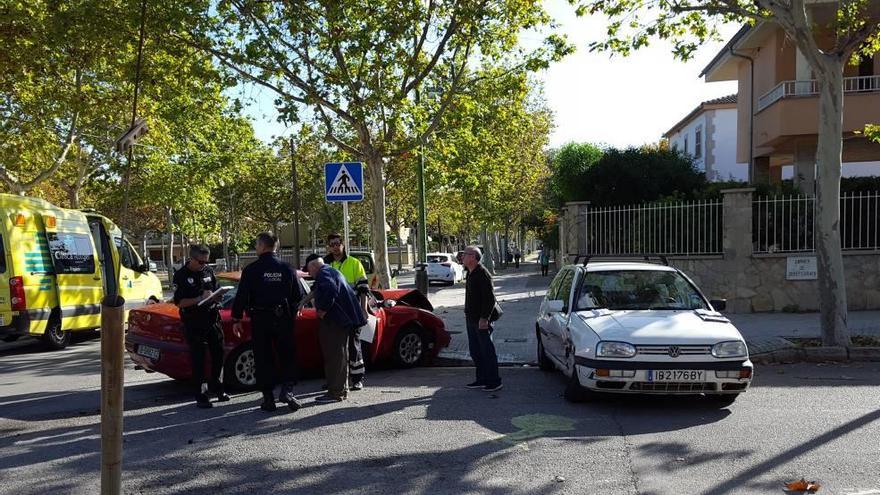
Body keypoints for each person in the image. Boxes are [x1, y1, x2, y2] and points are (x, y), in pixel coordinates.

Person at [231, 233, 303, 412]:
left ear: (262, 246)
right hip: (282, 318)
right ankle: (287, 391)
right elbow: (298, 296)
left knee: (263, 358)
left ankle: (268, 398)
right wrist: (290, 314)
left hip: (260, 319)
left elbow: (241, 296)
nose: (256, 247)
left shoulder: (251, 269)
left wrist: (236, 318)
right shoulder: (287, 268)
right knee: (287, 355)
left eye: (256, 244)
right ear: (276, 246)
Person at [173, 244, 229, 409]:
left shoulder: (208, 271)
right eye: (201, 261)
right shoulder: (181, 276)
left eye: (206, 261)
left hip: (212, 318)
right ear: (192, 258)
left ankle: (218, 388)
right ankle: (201, 395)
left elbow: (215, 289)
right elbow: (180, 302)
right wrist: (199, 298)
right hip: (194, 322)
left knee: (218, 355)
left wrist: (218, 297)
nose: (204, 264)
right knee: (198, 359)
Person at [306, 257, 367, 403]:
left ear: (314, 266)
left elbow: (330, 289)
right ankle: (340, 389)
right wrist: (304, 301)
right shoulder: (330, 271)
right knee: (339, 355)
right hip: (342, 321)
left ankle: (336, 393)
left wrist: (323, 309)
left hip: (336, 322)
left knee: (335, 356)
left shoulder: (324, 274)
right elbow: (320, 290)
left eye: (309, 270)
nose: (309, 274)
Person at [323, 233, 368, 390]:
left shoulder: (354, 263)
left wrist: (364, 309)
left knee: (353, 346)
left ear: (343, 245)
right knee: (334, 348)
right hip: (333, 313)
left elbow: (363, 289)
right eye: (332, 244)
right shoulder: (325, 265)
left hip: (352, 311)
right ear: (328, 246)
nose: (335, 246)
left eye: (337, 243)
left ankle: (356, 379)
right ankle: (336, 380)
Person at [461, 246, 502, 392]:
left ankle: (494, 381)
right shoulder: (470, 273)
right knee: (475, 351)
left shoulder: (483, 274)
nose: (462, 256)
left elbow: (489, 299)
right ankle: (482, 378)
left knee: (487, 350)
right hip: (471, 318)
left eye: (465, 254)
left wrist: (484, 318)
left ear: (473, 257)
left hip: (481, 320)